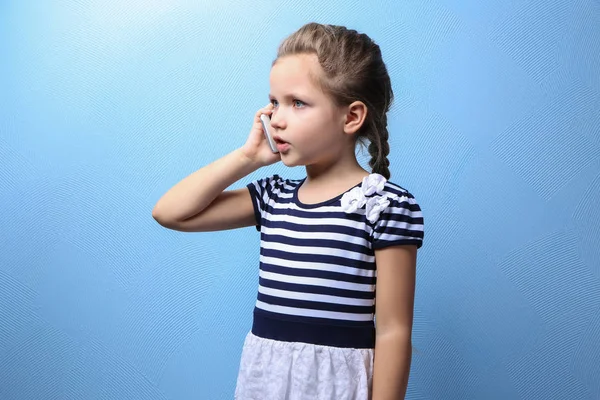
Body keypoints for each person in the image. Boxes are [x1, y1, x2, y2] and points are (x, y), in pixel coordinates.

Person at [152, 22, 424, 400]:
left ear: (351, 117)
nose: (276, 118)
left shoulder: (384, 206)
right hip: (267, 382)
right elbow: (170, 213)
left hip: (337, 385)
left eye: (297, 103)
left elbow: (394, 331)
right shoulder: (274, 196)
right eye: (274, 102)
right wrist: (247, 158)